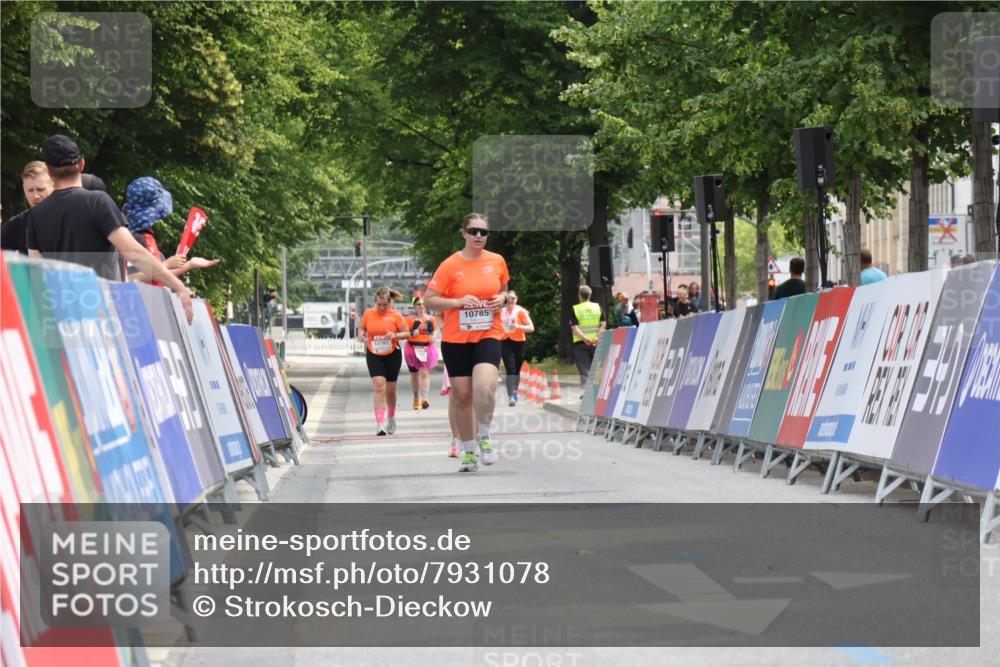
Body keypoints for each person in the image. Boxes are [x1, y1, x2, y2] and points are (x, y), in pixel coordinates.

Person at [25, 134, 193, 321]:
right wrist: (179, 287)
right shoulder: (97, 202)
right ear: (82, 164)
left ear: (48, 171)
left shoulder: (35, 215)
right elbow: (134, 252)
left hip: (61, 320)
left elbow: (36, 272)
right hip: (104, 316)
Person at [423, 213, 509, 472]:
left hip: (488, 333)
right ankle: (469, 453)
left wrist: (502, 299)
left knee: (485, 387)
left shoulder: (497, 261)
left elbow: (505, 289)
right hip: (456, 338)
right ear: (464, 233)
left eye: (484, 232)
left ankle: (484, 434)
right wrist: (457, 302)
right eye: (473, 231)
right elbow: (429, 299)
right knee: (462, 395)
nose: (479, 236)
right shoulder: (450, 265)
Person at [121, 176, 219, 284]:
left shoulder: (144, 236)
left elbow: (161, 275)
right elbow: (130, 277)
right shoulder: (135, 238)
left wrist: (191, 264)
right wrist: (167, 264)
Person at [358, 286, 410, 436]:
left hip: (392, 354)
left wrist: (395, 335)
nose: (381, 307)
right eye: (379, 304)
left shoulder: (396, 315)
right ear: (375, 302)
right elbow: (361, 328)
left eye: (385, 305)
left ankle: (391, 417)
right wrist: (361, 334)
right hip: (374, 353)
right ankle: (380, 424)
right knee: (380, 387)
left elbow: (406, 333)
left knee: (390, 390)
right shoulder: (368, 314)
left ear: (389, 303)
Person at [1, 161, 54, 254]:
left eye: (40, 189)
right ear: (24, 189)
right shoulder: (16, 225)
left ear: (53, 186)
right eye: (30, 190)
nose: (35, 196)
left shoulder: (70, 219)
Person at [499, 290, 534, 407]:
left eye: (513, 298)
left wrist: (518, 326)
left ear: (516, 300)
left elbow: (531, 327)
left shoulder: (520, 312)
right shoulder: (500, 312)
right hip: (505, 342)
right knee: (510, 369)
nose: (511, 300)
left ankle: (515, 391)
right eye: (509, 298)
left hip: (519, 343)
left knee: (517, 370)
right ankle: (511, 395)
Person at [404, 297, 440, 410]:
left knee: (424, 373)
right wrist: (412, 333)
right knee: (414, 375)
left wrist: (433, 337)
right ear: (415, 306)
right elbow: (405, 333)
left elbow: (435, 330)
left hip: (426, 348)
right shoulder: (410, 319)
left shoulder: (431, 319)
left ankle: (425, 399)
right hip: (412, 348)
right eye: (419, 304)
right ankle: (416, 398)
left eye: (423, 304)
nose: (421, 306)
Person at [569, 284, 605, 386]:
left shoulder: (576, 309)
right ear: (590, 295)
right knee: (597, 367)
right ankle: (597, 390)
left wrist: (585, 339)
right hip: (596, 343)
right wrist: (597, 337)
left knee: (584, 368)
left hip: (580, 343)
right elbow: (603, 325)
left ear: (579, 295)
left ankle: (586, 393)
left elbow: (574, 327)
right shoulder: (598, 308)